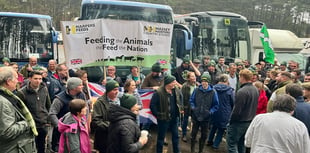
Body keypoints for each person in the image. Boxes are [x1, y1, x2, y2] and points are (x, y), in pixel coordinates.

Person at [245, 94, 310, 153]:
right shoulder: (299, 126)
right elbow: (305, 149)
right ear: (293, 110)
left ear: (274, 105)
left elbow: (248, 142)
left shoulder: (259, 118)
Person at [0, 66, 37, 152]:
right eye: (16, 78)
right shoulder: (3, 102)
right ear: (8, 82)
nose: (18, 81)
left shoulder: (7, 96)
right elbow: (6, 132)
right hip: (13, 148)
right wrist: (26, 123)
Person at [16, 70, 51, 153]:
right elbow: (20, 111)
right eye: (35, 78)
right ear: (30, 79)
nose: (38, 81)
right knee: (31, 147)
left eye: (40, 79)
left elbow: (48, 105)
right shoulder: (22, 93)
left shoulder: (44, 89)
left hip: (43, 123)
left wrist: (48, 120)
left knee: (42, 146)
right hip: (30, 125)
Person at [49, 77, 86, 152]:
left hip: (78, 131)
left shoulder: (81, 95)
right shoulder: (59, 99)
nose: (83, 86)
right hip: (61, 134)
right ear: (74, 87)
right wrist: (60, 127)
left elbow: (84, 111)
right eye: (80, 85)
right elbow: (52, 114)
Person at [226, 69, 259, 153]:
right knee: (241, 145)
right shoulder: (255, 89)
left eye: (239, 77)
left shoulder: (242, 91)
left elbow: (237, 110)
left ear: (242, 77)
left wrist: (231, 122)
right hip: (249, 121)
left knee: (232, 145)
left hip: (239, 122)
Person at [150, 75, 183, 153]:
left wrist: (180, 108)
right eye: (173, 82)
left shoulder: (176, 90)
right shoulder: (158, 92)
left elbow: (180, 99)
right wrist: (158, 115)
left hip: (174, 119)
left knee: (176, 137)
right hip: (163, 119)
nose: (175, 84)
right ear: (168, 83)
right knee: (161, 138)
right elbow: (152, 105)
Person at [190, 73, 219, 153]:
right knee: (193, 134)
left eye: (206, 81)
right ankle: (192, 150)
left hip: (206, 118)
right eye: (202, 81)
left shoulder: (213, 92)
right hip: (196, 116)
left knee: (204, 135)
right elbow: (191, 100)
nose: (204, 83)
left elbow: (216, 105)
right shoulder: (197, 90)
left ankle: (200, 150)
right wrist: (193, 108)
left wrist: (210, 112)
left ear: (208, 82)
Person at [92, 80, 120, 153]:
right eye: (114, 90)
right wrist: (112, 126)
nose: (117, 92)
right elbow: (96, 122)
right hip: (105, 139)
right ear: (108, 90)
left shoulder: (120, 100)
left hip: (118, 138)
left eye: (117, 89)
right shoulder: (100, 103)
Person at [207, 74, 234, 149]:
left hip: (214, 111)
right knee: (221, 129)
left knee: (213, 126)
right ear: (226, 80)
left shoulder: (213, 88)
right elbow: (233, 102)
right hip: (225, 112)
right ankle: (215, 145)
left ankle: (209, 140)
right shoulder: (230, 90)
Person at [181, 71, 197, 142]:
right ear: (188, 78)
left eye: (194, 76)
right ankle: (184, 134)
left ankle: (193, 135)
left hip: (195, 107)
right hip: (187, 106)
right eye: (192, 76)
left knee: (195, 122)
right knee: (185, 121)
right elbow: (182, 97)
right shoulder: (185, 86)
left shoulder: (197, 85)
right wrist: (182, 107)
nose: (194, 78)